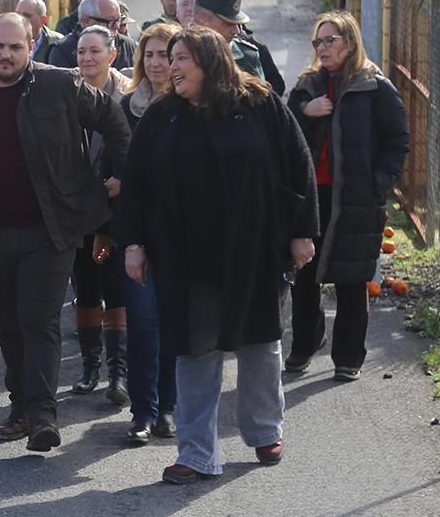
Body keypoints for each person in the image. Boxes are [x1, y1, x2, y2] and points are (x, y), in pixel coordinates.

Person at [115, 27, 318, 484]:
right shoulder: (163, 116)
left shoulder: (259, 104)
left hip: (254, 247)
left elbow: (296, 163)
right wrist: (133, 243)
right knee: (194, 349)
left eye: (183, 58)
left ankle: (264, 431)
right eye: (170, 57)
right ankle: (197, 453)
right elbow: (138, 185)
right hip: (186, 257)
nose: (173, 66)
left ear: (211, 60)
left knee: (260, 342)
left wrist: (303, 232)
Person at [0, 13, 130, 452]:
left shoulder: (59, 84)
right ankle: (20, 409)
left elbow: (113, 121)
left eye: (15, 47)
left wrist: (115, 179)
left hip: (50, 230)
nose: (5, 55)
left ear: (31, 47)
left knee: (39, 320)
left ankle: (44, 416)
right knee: (10, 326)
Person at [285, 11, 409, 381]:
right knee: (305, 276)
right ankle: (305, 344)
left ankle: (349, 356)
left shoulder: (374, 87)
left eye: (330, 41)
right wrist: (306, 112)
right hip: (312, 197)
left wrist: (379, 182)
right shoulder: (307, 85)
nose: (322, 48)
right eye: (317, 42)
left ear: (350, 43)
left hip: (355, 198)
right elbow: (285, 135)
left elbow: (397, 140)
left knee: (352, 280)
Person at [117, 22, 180, 445]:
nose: (156, 63)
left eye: (166, 55)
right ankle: (142, 410)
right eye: (150, 55)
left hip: (180, 233)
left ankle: (168, 408)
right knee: (142, 323)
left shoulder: (190, 107)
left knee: (174, 323)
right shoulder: (126, 107)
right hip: (137, 228)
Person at [70, 26, 132, 406]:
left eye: (95, 51)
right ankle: (90, 366)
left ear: (112, 55)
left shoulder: (125, 95)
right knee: (86, 289)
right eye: (81, 51)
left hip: (115, 212)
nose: (87, 58)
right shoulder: (66, 92)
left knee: (116, 289)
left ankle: (118, 371)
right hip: (77, 211)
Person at [193, 0, 286, 95]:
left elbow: (266, 101)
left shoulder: (247, 55)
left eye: (238, 24)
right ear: (202, 20)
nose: (237, 31)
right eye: (227, 24)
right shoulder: (177, 54)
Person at [48, 0, 138, 72]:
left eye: (119, 20)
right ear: (86, 21)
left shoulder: (128, 46)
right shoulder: (62, 51)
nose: (117, 26)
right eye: (110, 21)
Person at [15, 0, 64, 64]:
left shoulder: (58, 43)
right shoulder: (4, 41)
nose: (20, 20)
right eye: (17, 15)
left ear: (42, 20)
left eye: (27, 16)